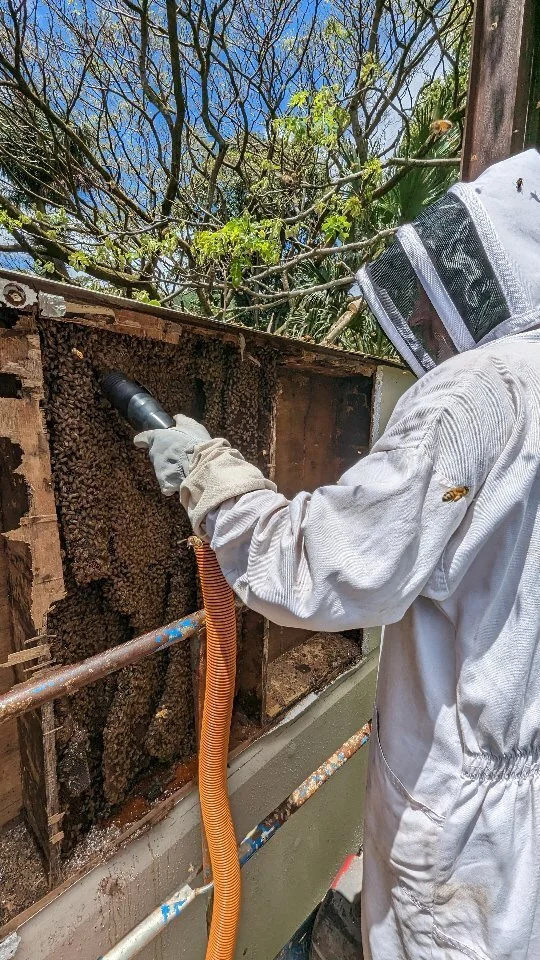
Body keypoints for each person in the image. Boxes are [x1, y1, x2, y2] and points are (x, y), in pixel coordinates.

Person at [135, 149, 540, 960]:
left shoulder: (483, 394)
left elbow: (322, 568)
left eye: (444, 295)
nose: (425, 321)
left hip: (465, 820)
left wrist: (214, 478)